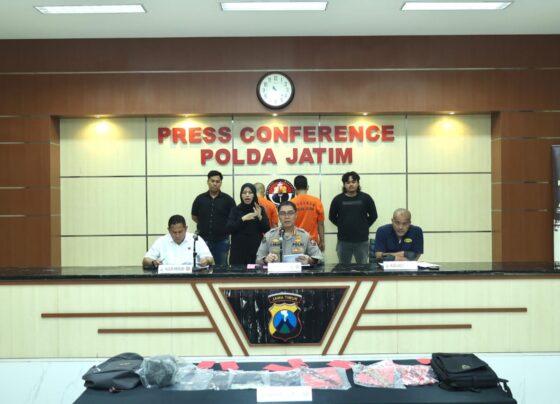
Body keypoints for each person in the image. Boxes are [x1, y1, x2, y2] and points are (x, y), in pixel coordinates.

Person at [328, 171, 377, 264]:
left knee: (362, 268)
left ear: (358, 183)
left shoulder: (366, 198)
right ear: (344, 184)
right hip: (343, 240)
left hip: (362, 240)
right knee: (343, 268)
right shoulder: (337, 199)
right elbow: (332, 217)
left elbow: (374, 216)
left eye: (353, 182)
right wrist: (342, 225)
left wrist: (364, 226)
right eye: (348, 182)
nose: (351, 184)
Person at [256, 201, 324, 265]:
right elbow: (258, 259)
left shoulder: (305, 236)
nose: (287, 217)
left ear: (296, 215)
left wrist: (310, 260)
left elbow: (320, 258)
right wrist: (265, 260)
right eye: (283, 213)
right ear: (278, 216)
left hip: (298, 273)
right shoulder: (269, 236)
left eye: (290, 213)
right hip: (276, 273)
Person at [191, 170, 236, 265]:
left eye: (217, 181)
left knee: (222, 267)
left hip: (222, 240)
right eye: (212, 181)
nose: (215, 183)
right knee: (203, 267)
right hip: (203, 240)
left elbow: (233, 218)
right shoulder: (200, 199)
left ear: (221, 183)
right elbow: (194, 216)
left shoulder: (228, 200)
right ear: (208, 182)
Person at [142, 214, 214, 268]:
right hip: (168, 278)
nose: (177, 235)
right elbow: (146, 260)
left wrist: (206, 261)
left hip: (191, 277)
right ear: (168, 230)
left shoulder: (195, 239)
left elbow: (210, 259)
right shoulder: (161, 241)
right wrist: (153, 262)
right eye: (174, 232)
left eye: (180, 232)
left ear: (186, 228)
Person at [226, 183, 271, 265]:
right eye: (244, 193)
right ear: (241, 195)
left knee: (256, 273)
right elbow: (229, 228)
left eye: (250, 192)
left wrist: (260, 216)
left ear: (254, 195)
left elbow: (267, 229)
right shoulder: (235, 210)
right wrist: (242, 219)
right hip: (238, 251)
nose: (247, 195)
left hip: (256, 250)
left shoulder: (259, 209)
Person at [290, 175, 325, 251]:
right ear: (307, 187)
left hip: (295, 240)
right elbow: (320, 224)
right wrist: (322, 241)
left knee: (297, 258)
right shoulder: (316, 201)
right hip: (312, 240)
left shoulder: (291, 203)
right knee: (312, 259)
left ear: (295, 188)